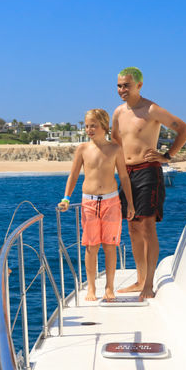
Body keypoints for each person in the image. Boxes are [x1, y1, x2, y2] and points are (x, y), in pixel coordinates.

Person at [112, 67, 186, 300]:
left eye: (126, 85)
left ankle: (149, 284)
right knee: (132, 226)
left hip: (148, 172)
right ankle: (139, 279)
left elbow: (184, 130)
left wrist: (167, 156)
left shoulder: (151, 109)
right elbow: (117, 141)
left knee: (147, 226)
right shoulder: (117, 112)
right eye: (118, 85)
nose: (121, 90)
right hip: (126, 174)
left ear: (139, 85)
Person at [58, 109, 134, 301]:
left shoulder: (115, 149)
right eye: (87, 126)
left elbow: (124, 177)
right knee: (91, 246)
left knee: (110, 245)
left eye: (93, 125)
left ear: (104, 126)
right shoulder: (83, 149)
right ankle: (91, 288)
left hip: (112, 201)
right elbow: (73, 175)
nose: (89, 129)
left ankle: (109, 287)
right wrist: (66, 198)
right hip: (89, 202)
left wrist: (130, 204)